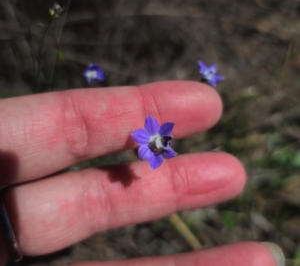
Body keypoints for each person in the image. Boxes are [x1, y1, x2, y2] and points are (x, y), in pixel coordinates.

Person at [0, 81, 284, 266]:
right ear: (152, 138)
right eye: (157, 141)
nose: (160, 143)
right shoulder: (146, 138)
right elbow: (145, 140)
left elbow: (156, 146)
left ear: (161, 139)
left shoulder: (157, 146)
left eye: (161, 141)